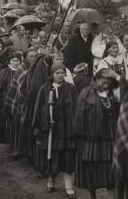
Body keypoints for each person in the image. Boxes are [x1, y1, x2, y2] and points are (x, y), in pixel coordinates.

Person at [32, 64, 77, 198]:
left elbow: (77, 107)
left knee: (68, 158)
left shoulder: (71, 88)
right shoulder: (45, 89)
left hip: (68, 130)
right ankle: (51, 181)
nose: (60, 75)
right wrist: (46, 120)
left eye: (62, 73)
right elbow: (39, 109)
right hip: (52, 131)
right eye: (57, 73)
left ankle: (69, 187)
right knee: (53, 157)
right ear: (52, 74)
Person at [75, 68, 120, 199]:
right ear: (96, 80)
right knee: (92, 171)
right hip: (91, 139)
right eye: (104, 82)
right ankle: (93, 195)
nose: (106, 85)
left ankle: (112, 195)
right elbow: (79, 118)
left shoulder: (113, 94)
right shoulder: (86, 94)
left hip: (109, 138)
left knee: (109, 169)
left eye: (108, 83)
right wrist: (81, 140)